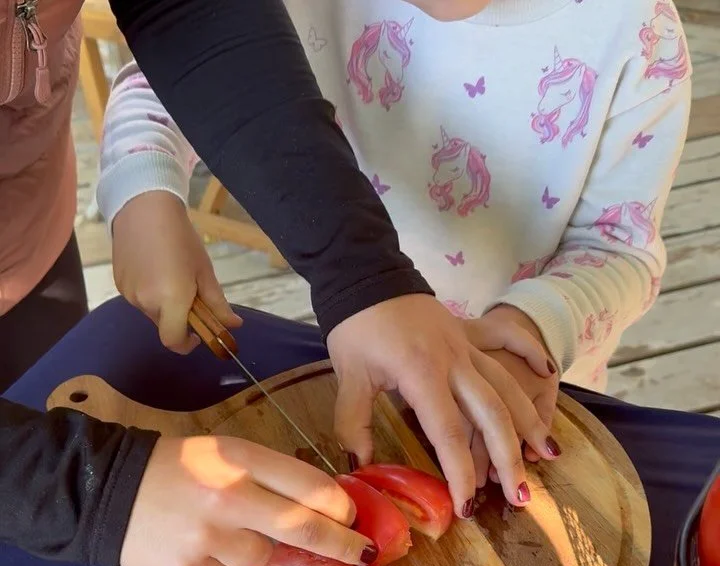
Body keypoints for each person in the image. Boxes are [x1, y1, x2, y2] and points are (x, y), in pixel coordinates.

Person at [0, 0, 556, 566]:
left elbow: (184, 13)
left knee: (36, 369)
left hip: (25, 231)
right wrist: (90, 490)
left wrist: (361, 272)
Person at [100, 0, 690, 484]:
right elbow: (175, 76)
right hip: (354, 368)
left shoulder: (639, 32)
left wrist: (533, 326)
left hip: (524, 388)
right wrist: (142, 192)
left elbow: (620, 248)